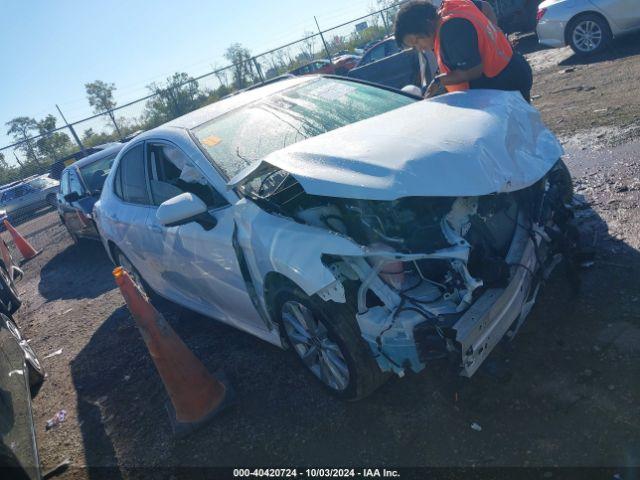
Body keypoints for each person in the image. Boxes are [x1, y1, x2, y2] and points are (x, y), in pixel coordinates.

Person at [394, 0, 533, 102]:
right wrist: (493, 34)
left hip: (505, 86)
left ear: (426, 23)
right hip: (513, 68)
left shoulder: (450, 29)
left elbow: (473, 70)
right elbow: (485, 6)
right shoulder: (452, 6)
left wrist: (440, 81)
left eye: (417, 40)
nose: (419, 48)